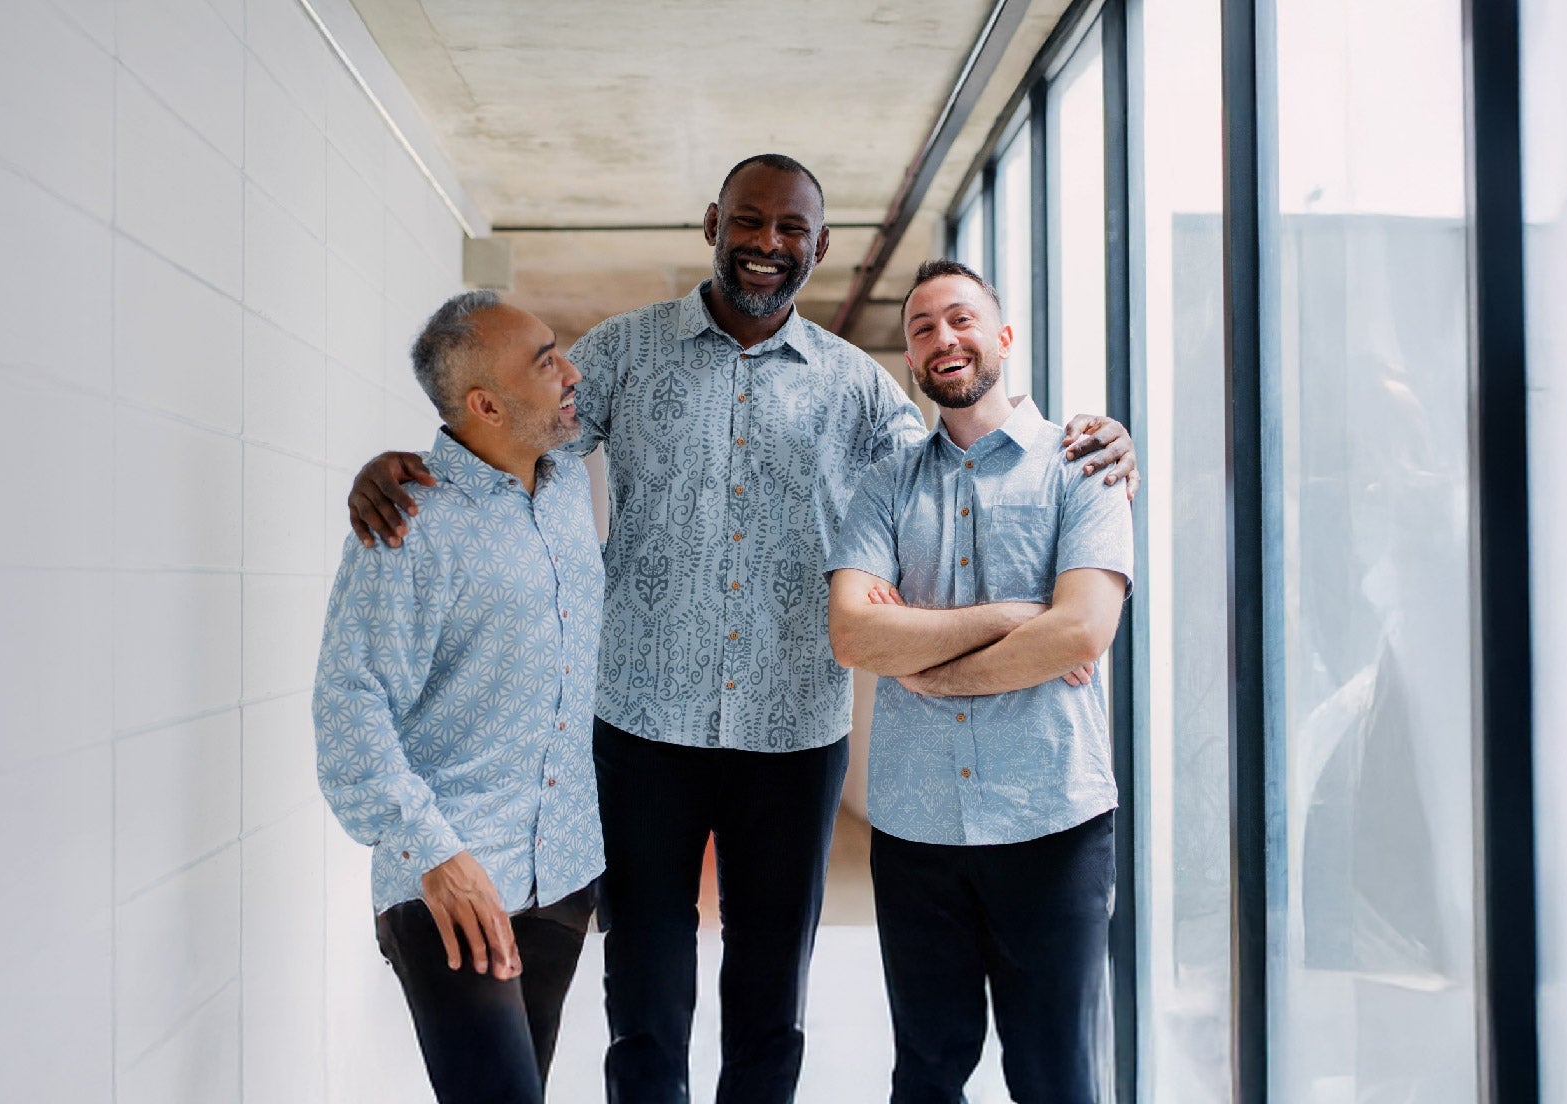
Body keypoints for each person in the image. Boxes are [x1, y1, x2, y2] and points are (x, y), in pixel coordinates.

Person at [344, 154, 1137, 1104]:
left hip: (793, 735)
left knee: (771, 998)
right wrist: (404, 462)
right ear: (713, 223)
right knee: (643, 990)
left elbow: (949, 464)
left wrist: (1100, 445)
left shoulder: (857, 389)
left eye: (790, 229)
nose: (767, 244)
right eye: (749, 222)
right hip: (639, 728)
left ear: (820, 246)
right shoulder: (625, 354)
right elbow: (510, 422)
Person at [824, 260, 1134, 1104]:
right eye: (920, 329)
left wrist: (927, 666)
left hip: (1051, 821)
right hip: (916, 828)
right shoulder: (886, 482)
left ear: (1000, 337)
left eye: (958, 320)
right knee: (925, 1074)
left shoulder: (1083, 465)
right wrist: (1012, 618)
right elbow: (853, 630)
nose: (940, 339)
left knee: (1054, 1076)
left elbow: (1081, 629)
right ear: (912, 361)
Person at [314, 291, 602, 1104]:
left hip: (562, 870)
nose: (570, 371)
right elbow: (349, 707)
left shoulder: (565, 488)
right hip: (449, 874)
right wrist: (435, 856)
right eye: (545, 361)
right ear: (485, 404)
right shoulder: (409, 524)